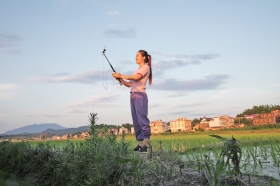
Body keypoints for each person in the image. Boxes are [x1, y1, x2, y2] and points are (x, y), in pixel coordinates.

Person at [112, 50, 152, 153]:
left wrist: (121, 75)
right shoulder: (137, 69)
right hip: (133, 95)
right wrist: (120, 79)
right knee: (136, 121)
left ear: (144, 57)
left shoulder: (145, 67)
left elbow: (136, 77)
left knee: (142, 120)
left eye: (137, 55)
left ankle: (147, 145)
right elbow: (130, 84)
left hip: (140, 95)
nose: (135, 57)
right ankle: (140, 145)